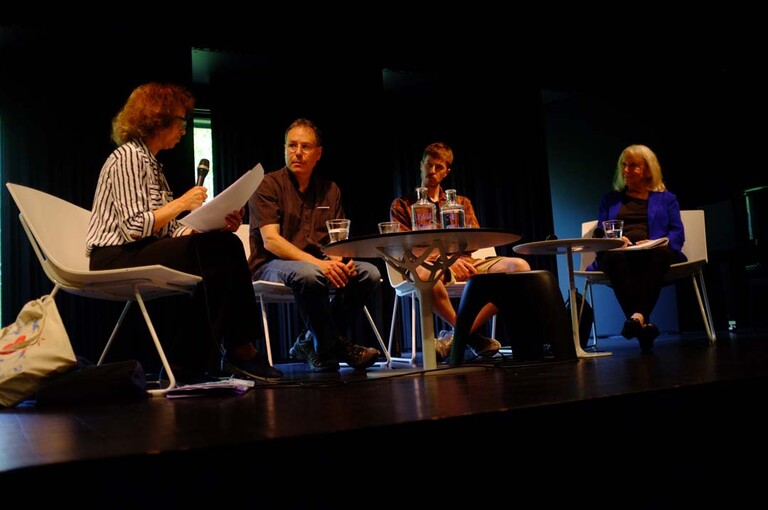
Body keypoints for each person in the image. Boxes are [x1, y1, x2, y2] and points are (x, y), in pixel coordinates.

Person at [85, 82, 282, 382]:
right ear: (157, 120)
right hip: (114, 256)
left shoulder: (152, 164)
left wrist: (213, 226)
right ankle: (236, 351)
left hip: (138, 249)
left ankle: (187, 363)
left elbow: (167, 230)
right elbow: (134, 228)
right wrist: (182, 203)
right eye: (180, 121)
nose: (183, 129)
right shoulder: (127, 158)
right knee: (224, 249)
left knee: (224, 245)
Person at [247, 118, 381, 373]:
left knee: (368, 274)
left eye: (305, 146)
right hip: (271, 264)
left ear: (318, 153)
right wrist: (321, 264)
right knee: (309, 274)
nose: (297, 152)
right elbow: (271, 241)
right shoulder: (267, 184)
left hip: (318, 264)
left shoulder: (331, 190)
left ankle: (311, 342)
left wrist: (340, 262)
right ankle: (337, 347)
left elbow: (336, 242)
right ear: (284, 149)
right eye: (292, 145)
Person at [389, 142, 531, 361]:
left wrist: (455, 259)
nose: (432, 171)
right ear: (420, 165)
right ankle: (469, 335)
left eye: (438, 167)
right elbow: (406, 247)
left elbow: (473, 241)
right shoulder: (402, 205)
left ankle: (460, 334)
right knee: (425, 276)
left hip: (464, 262)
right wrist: (446, 259)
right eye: (428, 165)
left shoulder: (461, 203)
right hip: (425, 264)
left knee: (519, 268)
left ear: (446, 171)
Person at [588, 144, 686, 352]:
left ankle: (637, 320)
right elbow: (600, 231)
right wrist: (615, 240)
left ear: (648, 170)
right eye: (624, 165)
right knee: (613, 259)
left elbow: (677, 232)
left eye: (633, 165)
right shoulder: (610, 199)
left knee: (657, 256)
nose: (626, 170)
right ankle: (641, 323)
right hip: (618, 253)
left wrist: (659, 241)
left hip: (653, 252)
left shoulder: (667, 199)